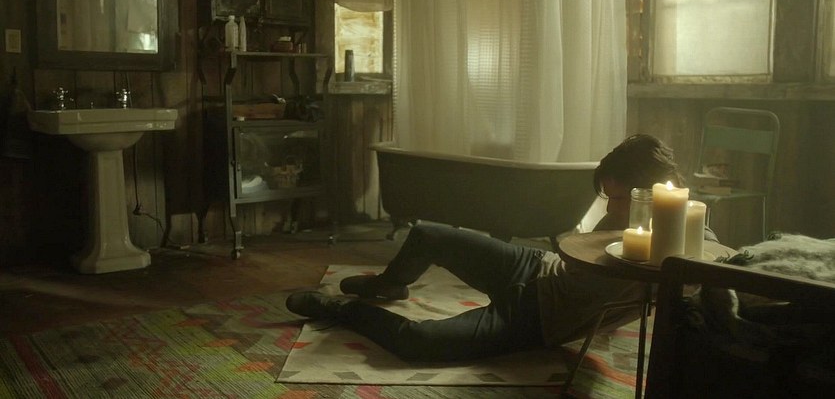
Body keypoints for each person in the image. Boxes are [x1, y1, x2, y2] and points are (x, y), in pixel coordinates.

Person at [286, 134, 718, 361]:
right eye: (609, 197)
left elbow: (711, 269)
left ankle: (341, 311)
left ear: (649, 192)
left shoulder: (685, 242)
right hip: (535, 266)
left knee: (419, 342)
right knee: (427, 234)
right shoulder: (628, 214)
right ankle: (389, 284)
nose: (611, 208)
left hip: (538, 317)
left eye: (618, 198)